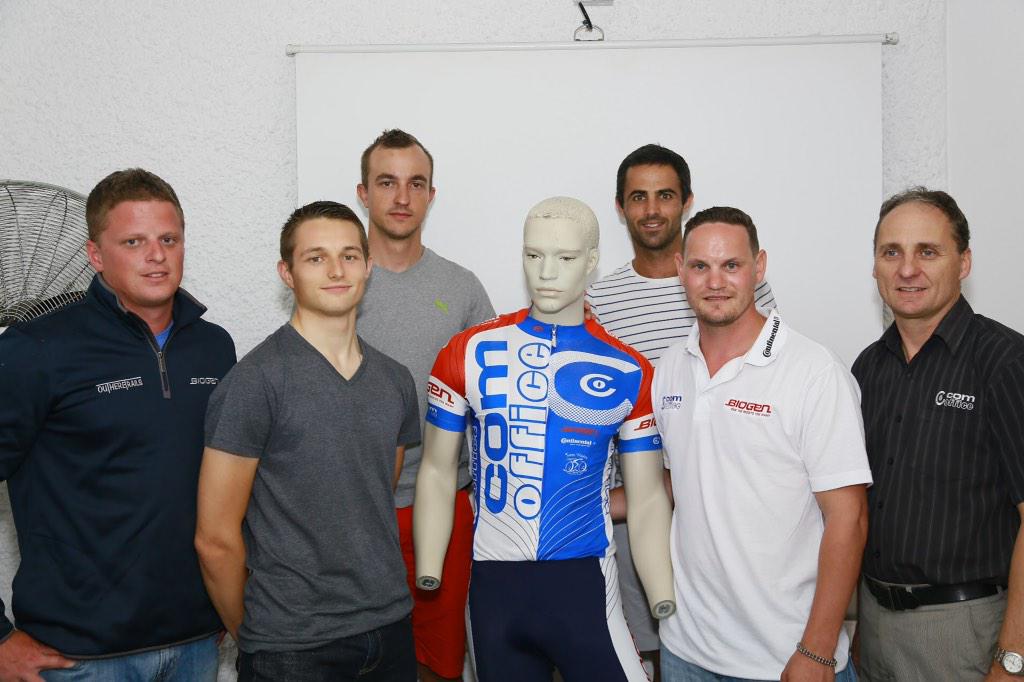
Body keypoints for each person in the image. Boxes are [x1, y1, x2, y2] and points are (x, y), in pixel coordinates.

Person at [414, 196, 674, 682]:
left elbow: (647, 496)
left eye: (565, 257)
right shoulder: (469, 351)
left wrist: (660, 585)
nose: (546, 272)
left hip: (584, 581)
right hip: (494, 586)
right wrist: (430, 560)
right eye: (533, 255)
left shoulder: (629, 370)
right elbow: (435, 468)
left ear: (591, 262)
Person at [0, 168, 235, 680]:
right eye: (133, 242)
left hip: (196, 643)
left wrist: (230, 598)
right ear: (95, 255)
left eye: (168, 239)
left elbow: (232, 489)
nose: (156, 255)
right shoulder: (35, 349)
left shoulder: (214, 348)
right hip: (81, 658)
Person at [194, 201, 419, 681]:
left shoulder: (396, 380)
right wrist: (254, 637)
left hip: (391, 628)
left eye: (349, 256)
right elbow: (215, 539)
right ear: (287, 273)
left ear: (368, 266)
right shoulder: (255, 382)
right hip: (292, 647)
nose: (336, 270)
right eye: (316, 258)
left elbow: (375, 494)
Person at [653, 206, 870, 681]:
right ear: (680, 270)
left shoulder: (814, 372)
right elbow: (680, 483)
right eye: (700, 266)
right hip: (686, 651)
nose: (715, 281)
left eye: (731, 265)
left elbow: (849, 519)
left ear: (759, 267)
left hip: (787, 657)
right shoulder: (669, 367)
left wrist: (817, 650)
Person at [585, 144, 777, 673]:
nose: (652, 210)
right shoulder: (599, 302)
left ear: (687, 201)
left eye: (665, 195)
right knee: (646, 651)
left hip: (725, 508)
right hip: (635, 510)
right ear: (620, 207)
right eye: (638, 197)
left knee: (725, 645)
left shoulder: (736, 289)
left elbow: (763, 386)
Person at [852, 188, 1024, 681]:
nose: (907, 269)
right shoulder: (867, 369)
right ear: (875, 266)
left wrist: (1012, 658)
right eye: (892, 252)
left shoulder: (1005, 362)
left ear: (963, 262)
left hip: (967, 634)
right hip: (875, 626)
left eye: (927, 252)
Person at [355, 129, 494, 682]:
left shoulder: (461, 288)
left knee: (438, 662)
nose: (401, 197)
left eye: (416, 184)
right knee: (358, 659)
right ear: (363, 193)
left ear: (432, 195)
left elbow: (494, 400)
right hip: (354, 510)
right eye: (386, 182)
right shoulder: (338, 279)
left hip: (443, 505)